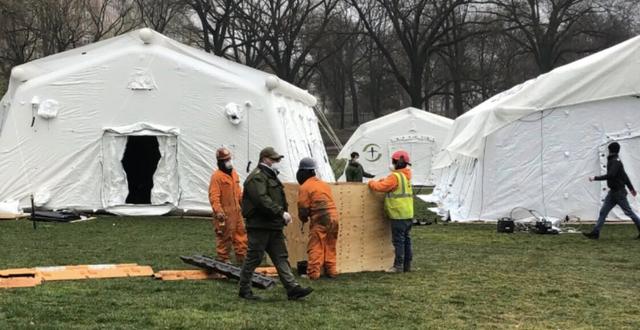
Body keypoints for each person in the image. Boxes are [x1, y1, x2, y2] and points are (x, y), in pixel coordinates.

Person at [238, 147, 313, 300]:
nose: (277, 162)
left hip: (272, 225)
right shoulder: (257, 177)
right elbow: (262, 200)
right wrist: (280, 212)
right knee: (254, 258)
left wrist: (280, 215)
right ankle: (244, 289)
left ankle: (292, 288)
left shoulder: (268, 176)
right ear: (265, 159)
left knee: (281, 257)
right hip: (260, 225)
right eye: (274, 160)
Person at [367, 150, 414, 273]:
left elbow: (380, 187)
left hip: (398, 214)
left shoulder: (395, 176)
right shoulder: (406, 175)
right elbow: (390, 183)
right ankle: (407, 266)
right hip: (408, 213)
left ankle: (398, 266)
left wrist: (371, 182)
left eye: (393, 161)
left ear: (397, 163)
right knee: (406, 240)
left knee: (398, 241)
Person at [584, 142, 640, 239]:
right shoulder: (616, 161)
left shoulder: (614, 161)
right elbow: (624, 176)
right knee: (603, 212)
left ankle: (595, 232)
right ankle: (595, 232)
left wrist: (595, 178)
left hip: (618, 193)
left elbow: (611, 175)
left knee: (629, 212)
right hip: (613, 192)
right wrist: (631, 188)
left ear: (610, 150)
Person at [296, 157, 340, 280]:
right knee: (330, 244)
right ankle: (331, 271)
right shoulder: (324, 185)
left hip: (321, 218)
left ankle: (313, 273)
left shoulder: (305, 187)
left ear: (303, 172)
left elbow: (303, 208)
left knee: (316, 245)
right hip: (334, 217)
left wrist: (303, 219)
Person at [208, 147, 247, 264]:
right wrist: (218, 211)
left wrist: (244, 204)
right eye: (226, 160)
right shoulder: (216, 177)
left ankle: (242, 257)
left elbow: (238, 192)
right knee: (224, 237)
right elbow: (214, 196)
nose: (229, 161)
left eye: (229, 159)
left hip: (237, 212)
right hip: (224, 214)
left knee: (241, 235)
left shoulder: (234, 174)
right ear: (220, 162)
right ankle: (223, 259)